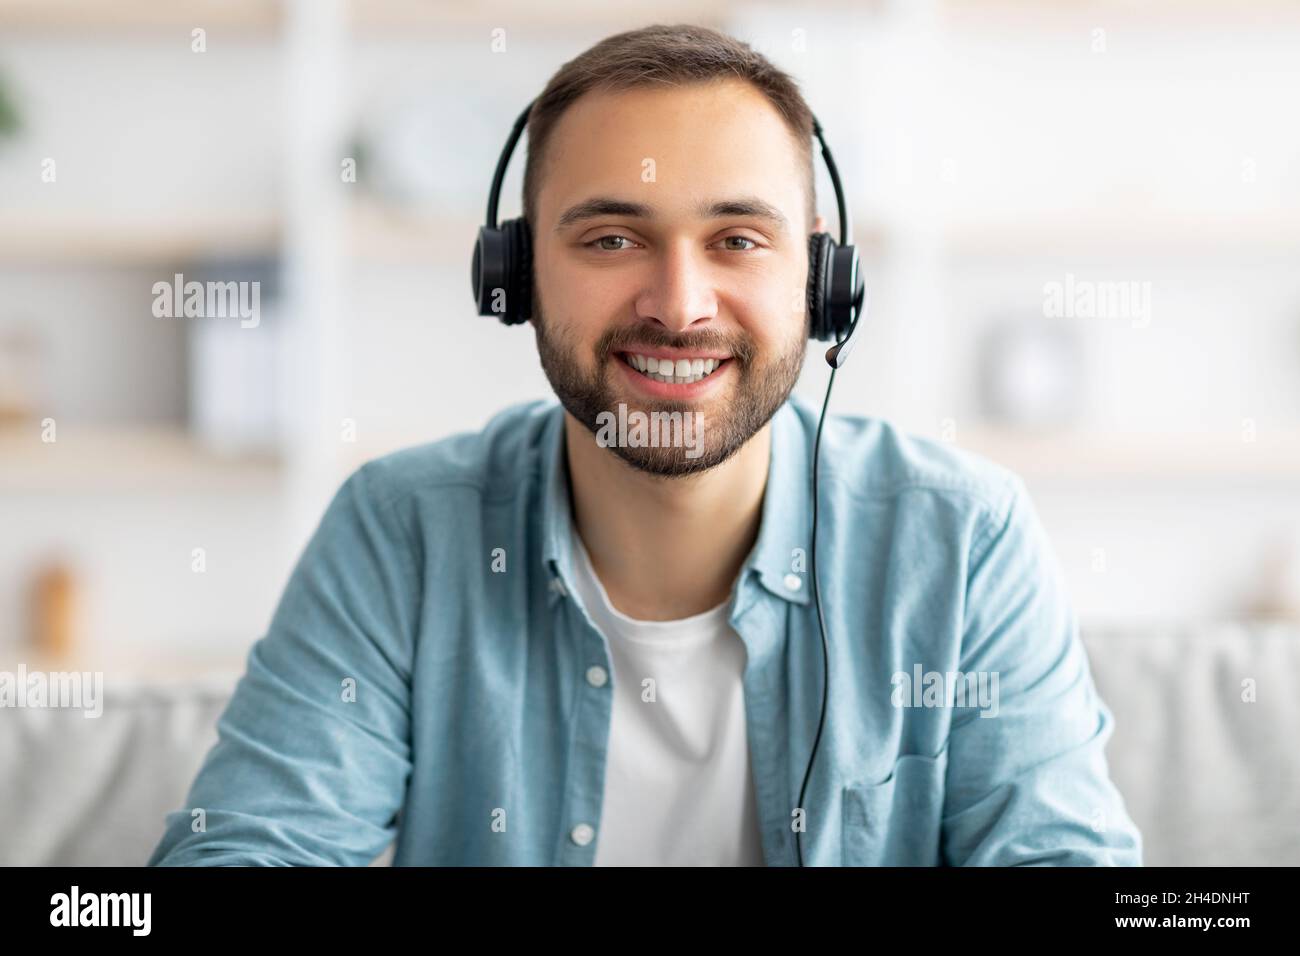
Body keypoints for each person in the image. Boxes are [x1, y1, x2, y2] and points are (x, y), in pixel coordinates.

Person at [149, 23, 1142, 867]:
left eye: (737, 239)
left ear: (822, 280)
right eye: (611, 238)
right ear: (515, 273)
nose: (677, 305)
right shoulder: (402, 531)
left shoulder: (961, 540)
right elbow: (248, 849)